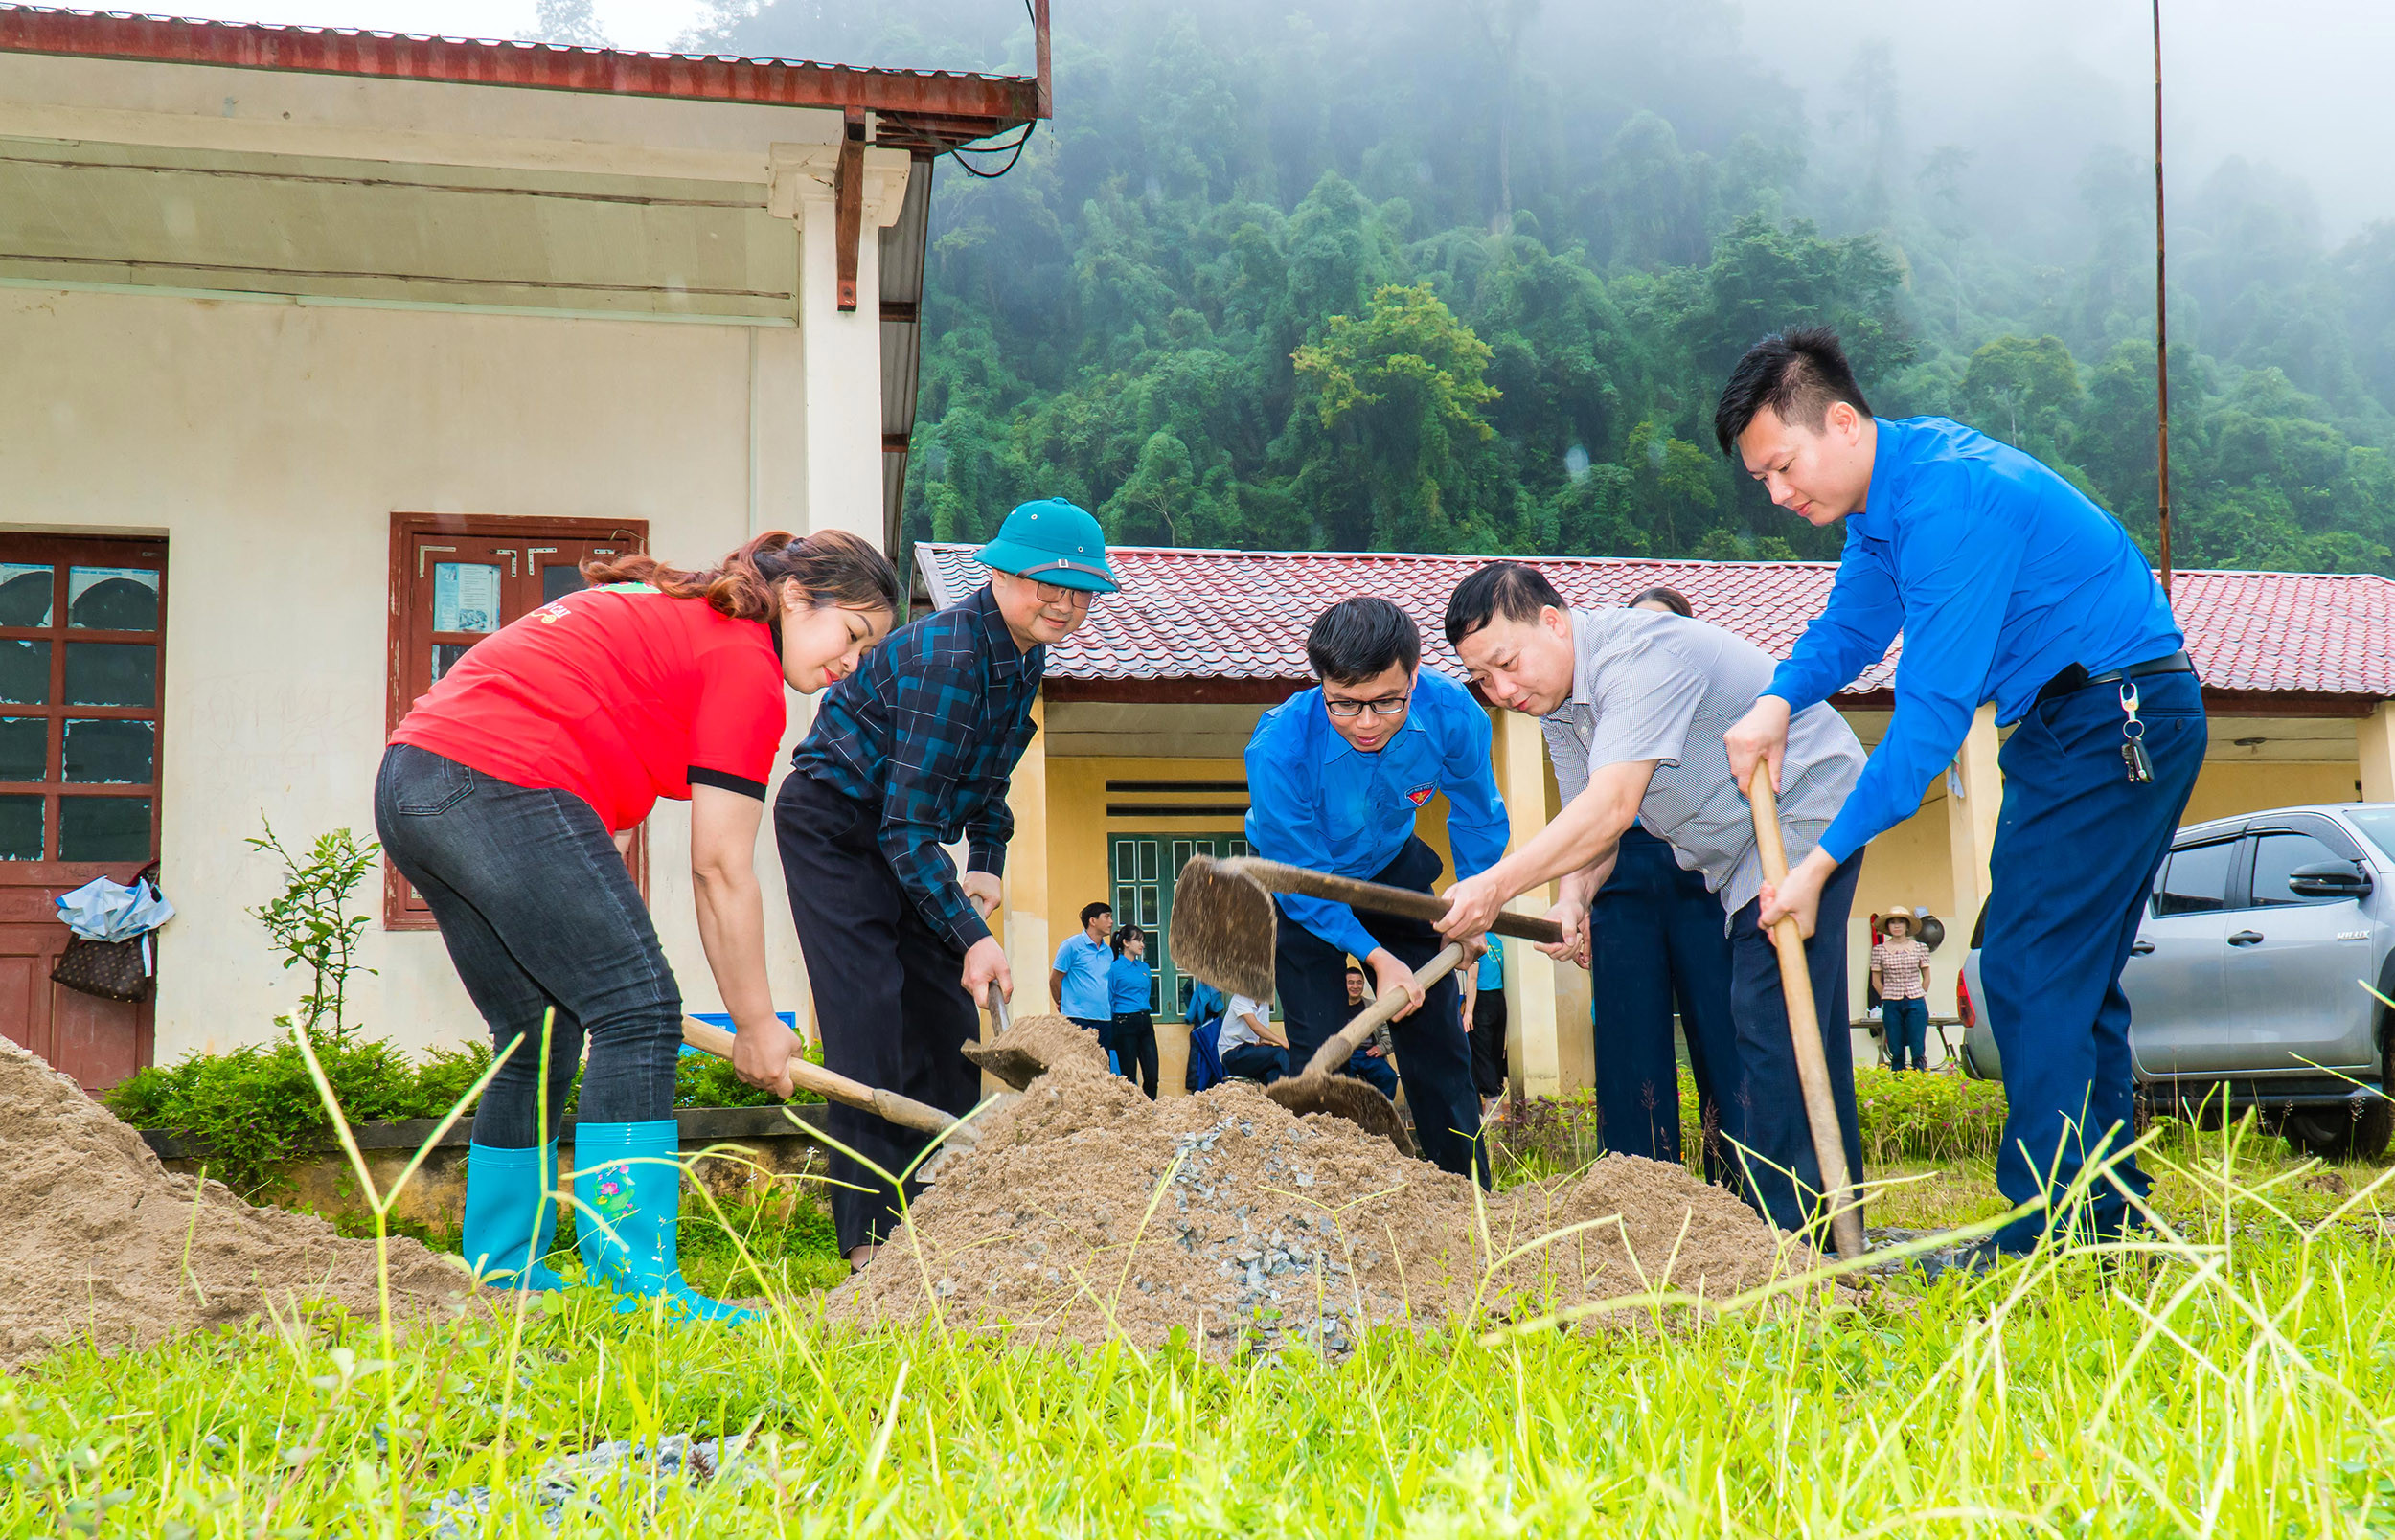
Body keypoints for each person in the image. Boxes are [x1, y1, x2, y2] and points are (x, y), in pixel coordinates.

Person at [1713, 327, 2201, 1264]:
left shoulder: (1947, 503)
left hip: (2117, 720)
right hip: (2083, 725)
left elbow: (1928, 726)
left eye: (1781, 466)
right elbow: (1851, 623)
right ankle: (2102, 1218)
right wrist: (1778, 699)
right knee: (2063, 973)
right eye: (1762, 480)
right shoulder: (1889, 502)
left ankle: (2043, 1234)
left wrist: (1818, 864)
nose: (1777, 494)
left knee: (2024, 968)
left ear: (1842, 423)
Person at [377, 530, 901, 1321]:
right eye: (853, 634)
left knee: (537, 1031)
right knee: (640, 1012)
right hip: (496, 778)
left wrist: (610, 953)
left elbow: (591, 846)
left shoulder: (681, 622)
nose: (851, 663)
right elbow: (721, 869)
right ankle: (636, 1284)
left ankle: (501, 1268)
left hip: (417, 784)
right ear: (797, 599)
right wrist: (758, 1024)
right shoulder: (743, 663)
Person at [1437, 561, 1869, 1244]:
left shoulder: (1641, 652)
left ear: (1552, 622)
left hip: (1804, 815)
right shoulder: (1562, 707)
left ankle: (1798, 1240)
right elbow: (1592, 826)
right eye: (1484, 680)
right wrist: (1573, 900)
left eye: (1507, 664)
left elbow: (1614, 807)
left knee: (1770, 1022)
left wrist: (1495, 884)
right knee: (1781, 1021)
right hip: (1736, 859)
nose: (1503, 690)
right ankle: (1813, 1232)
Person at [780, 499, 1117, 1270]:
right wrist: (974, 937)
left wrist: (987, 865)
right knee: (867, 1015)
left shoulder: (1023, 657)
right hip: (836, 826)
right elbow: (903, 826)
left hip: (905, 834)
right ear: (997, 573)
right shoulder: (948, 656)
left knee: (942, 1021)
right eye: (1046, 584)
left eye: (1082, 590)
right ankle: (869, 1246)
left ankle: (935, 1221)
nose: (1066, 604)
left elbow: (986, 783)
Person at [1245, 597, 1509, 1184]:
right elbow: (1305, 878)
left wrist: (1476, 904)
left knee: (1438, 1038)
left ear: (1415, 675)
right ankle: (1329, 1206)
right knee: (1320, 1053)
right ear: (1321, 685)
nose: (1367, 723)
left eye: (1388, 701)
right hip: (1303, 883)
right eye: (1345, 705)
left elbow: (1475, 816)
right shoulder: (1279, 747)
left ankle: (1467, 1197)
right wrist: (1376, 959)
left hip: (1392, 868)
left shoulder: (1452, 714)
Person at [1583, 584, 1740, 1174]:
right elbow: (1588, 810)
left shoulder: (1713, 690)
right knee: (1628, 1039)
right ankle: (1639, 1188)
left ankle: (1742, 1189)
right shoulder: (1600, 698)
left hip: (1704, 874)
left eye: (1664, 630)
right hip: (1621, 875)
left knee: (1723, 1030)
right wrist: (1579, 900)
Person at [1052, 901, 1118, 1064]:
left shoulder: (1108, 951)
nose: (1111, 922)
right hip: (1077, 1017)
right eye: (1107, 917)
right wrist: (1060, 1001)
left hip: (1104, 1018)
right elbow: (1055, 979)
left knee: (1101, 1067)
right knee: (1078, 1067)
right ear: (1092, 921)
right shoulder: (1071, 946)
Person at [1872, 908, 1933, 1072]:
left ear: (1907, 926)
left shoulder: (1920, 947)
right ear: (1888, 927)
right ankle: (1899, 1084)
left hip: (1915, 1000)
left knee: (1917, 1047)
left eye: (1900, 922)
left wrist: (1919, 993)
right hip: (1892, 1001)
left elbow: (1926, 976)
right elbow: (1876, 981)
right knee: (1896, 1048)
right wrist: (1886, 995)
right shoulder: (1880, 950)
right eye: (1892, 922)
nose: (1896, 926)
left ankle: (1920, 1083)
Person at [1109, 924, 1159, 1098]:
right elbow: (1110, 996)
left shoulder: (1144, 968)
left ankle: (1149, 1109)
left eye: (1142, 941)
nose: (1142, 945)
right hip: (1124, 1022)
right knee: (1129, 1077)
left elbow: (1145, 994)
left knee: (1152, 1075)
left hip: (1145, 1020)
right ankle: (1132, 1113)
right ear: (1125, 943)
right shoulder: (1114, 968)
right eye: (1138, 940)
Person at [1341, 962, 1401, 1101]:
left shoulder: (1373, 1006)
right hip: (1345, 1056)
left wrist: (1381, 1047)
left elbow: (1388, 1031)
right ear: (1344, 985)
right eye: (1351, 982)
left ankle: (1384, 1112)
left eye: (1359, 983)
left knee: (1389, 1076)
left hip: (1369, 1054)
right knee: (1343, 1083)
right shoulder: (1336, 1008)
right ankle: (1349, 1117)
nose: (1355, 986)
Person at [1463, 937, 1509, 1114]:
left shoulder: (1475, 942)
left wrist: (1468, 1012)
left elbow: (1472, 979)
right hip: (1498, 1000)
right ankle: (1497, 1091)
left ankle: (1492, 1101)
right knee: (1496, 1051)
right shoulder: (1497, 941)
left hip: (1481, 1001)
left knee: (1481, 1052)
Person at [1218, 992, 1289, 1083]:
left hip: (1251, 1052)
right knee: (1280, 1052)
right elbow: (1255, 1026)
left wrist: (1264, 1043)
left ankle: (1289, 1094)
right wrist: (1282, 1042)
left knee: (1274, 1073)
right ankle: (1298, 1084)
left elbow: (1262, 1035)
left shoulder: (1264, 1003)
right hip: (1232, 1054)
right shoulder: (1241, 997)